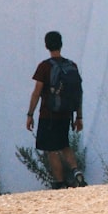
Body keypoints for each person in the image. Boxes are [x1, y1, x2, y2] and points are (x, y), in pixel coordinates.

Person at [26, 31, 86, 189]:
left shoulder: (44, 66)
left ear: (46, 45)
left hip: (49, 115)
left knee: (51, 149)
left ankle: (59, 182)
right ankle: (76, 172)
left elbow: (36, 92)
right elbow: (78, 93)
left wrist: (30, 114)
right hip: (67, 113)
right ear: (61, 44)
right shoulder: (71, 65)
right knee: (65, 144)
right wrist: (79, 117)